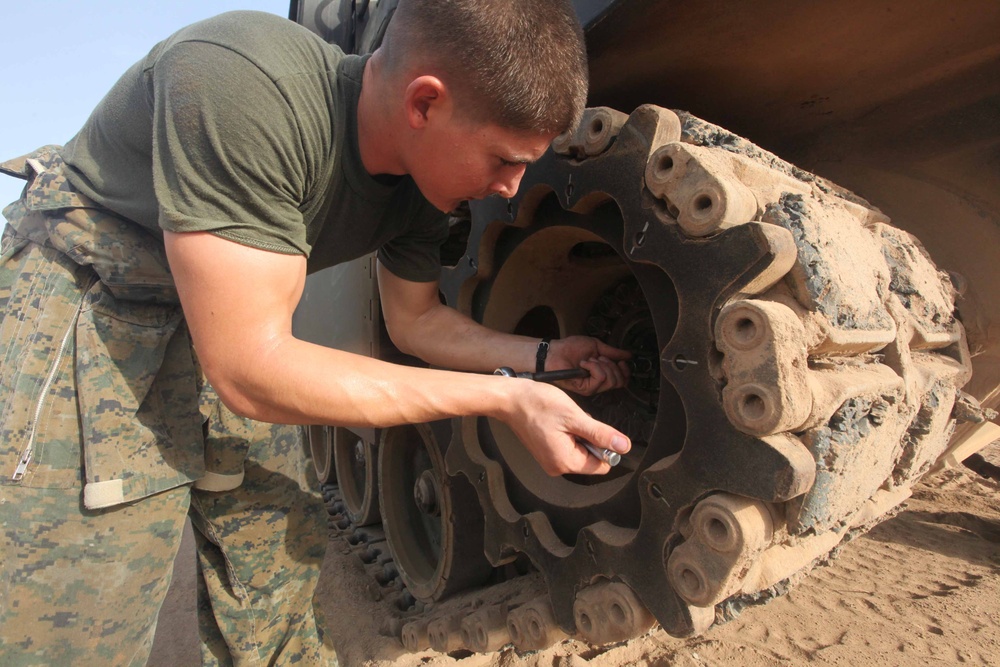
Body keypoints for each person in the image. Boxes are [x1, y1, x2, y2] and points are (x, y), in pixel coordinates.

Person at [0, 1, 632, 664]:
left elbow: (415, 321)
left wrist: (541, 358)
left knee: (275, 551)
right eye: (504, 159)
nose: (510, 187)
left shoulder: (421, 186)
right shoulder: (243, 83)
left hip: (228, 320)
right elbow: (250, 370)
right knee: (84, 598)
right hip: (96, 297)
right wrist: (505, 398)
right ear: (425, 103)